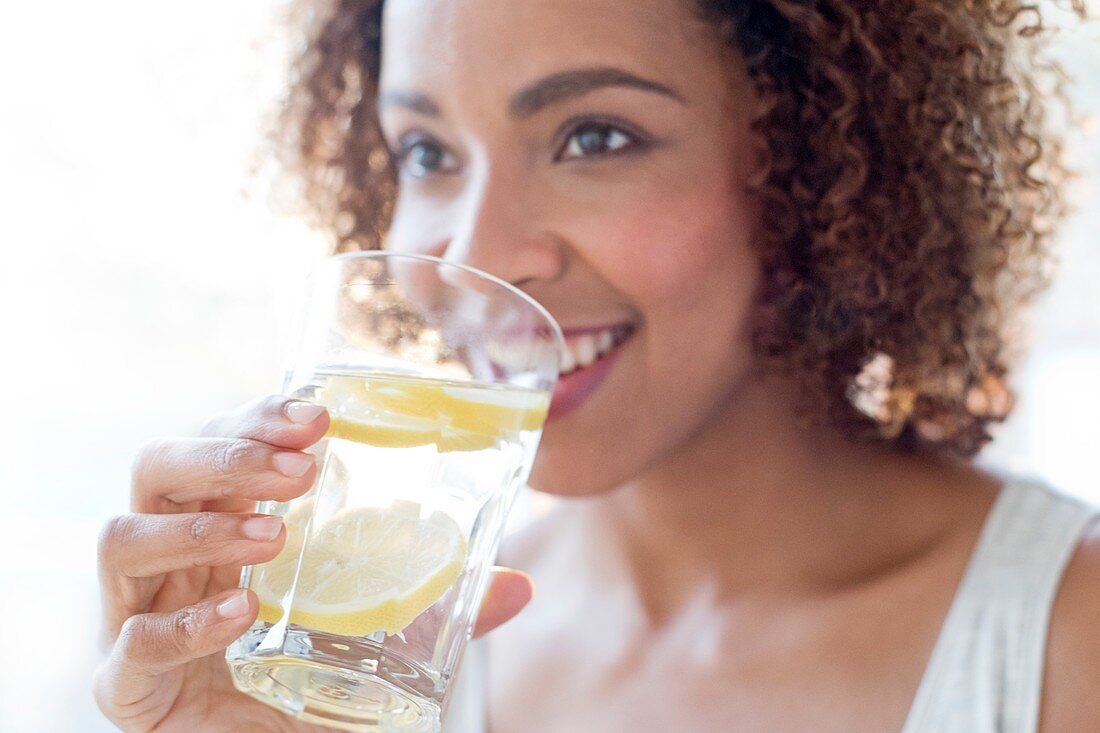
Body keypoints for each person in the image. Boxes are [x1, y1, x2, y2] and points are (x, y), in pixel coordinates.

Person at [94, 0, 1099, 731]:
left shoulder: (1064, 641)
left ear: (811, 165)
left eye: (594, 137)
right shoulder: (387, 662)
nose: (471, 255)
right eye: (426, 151)